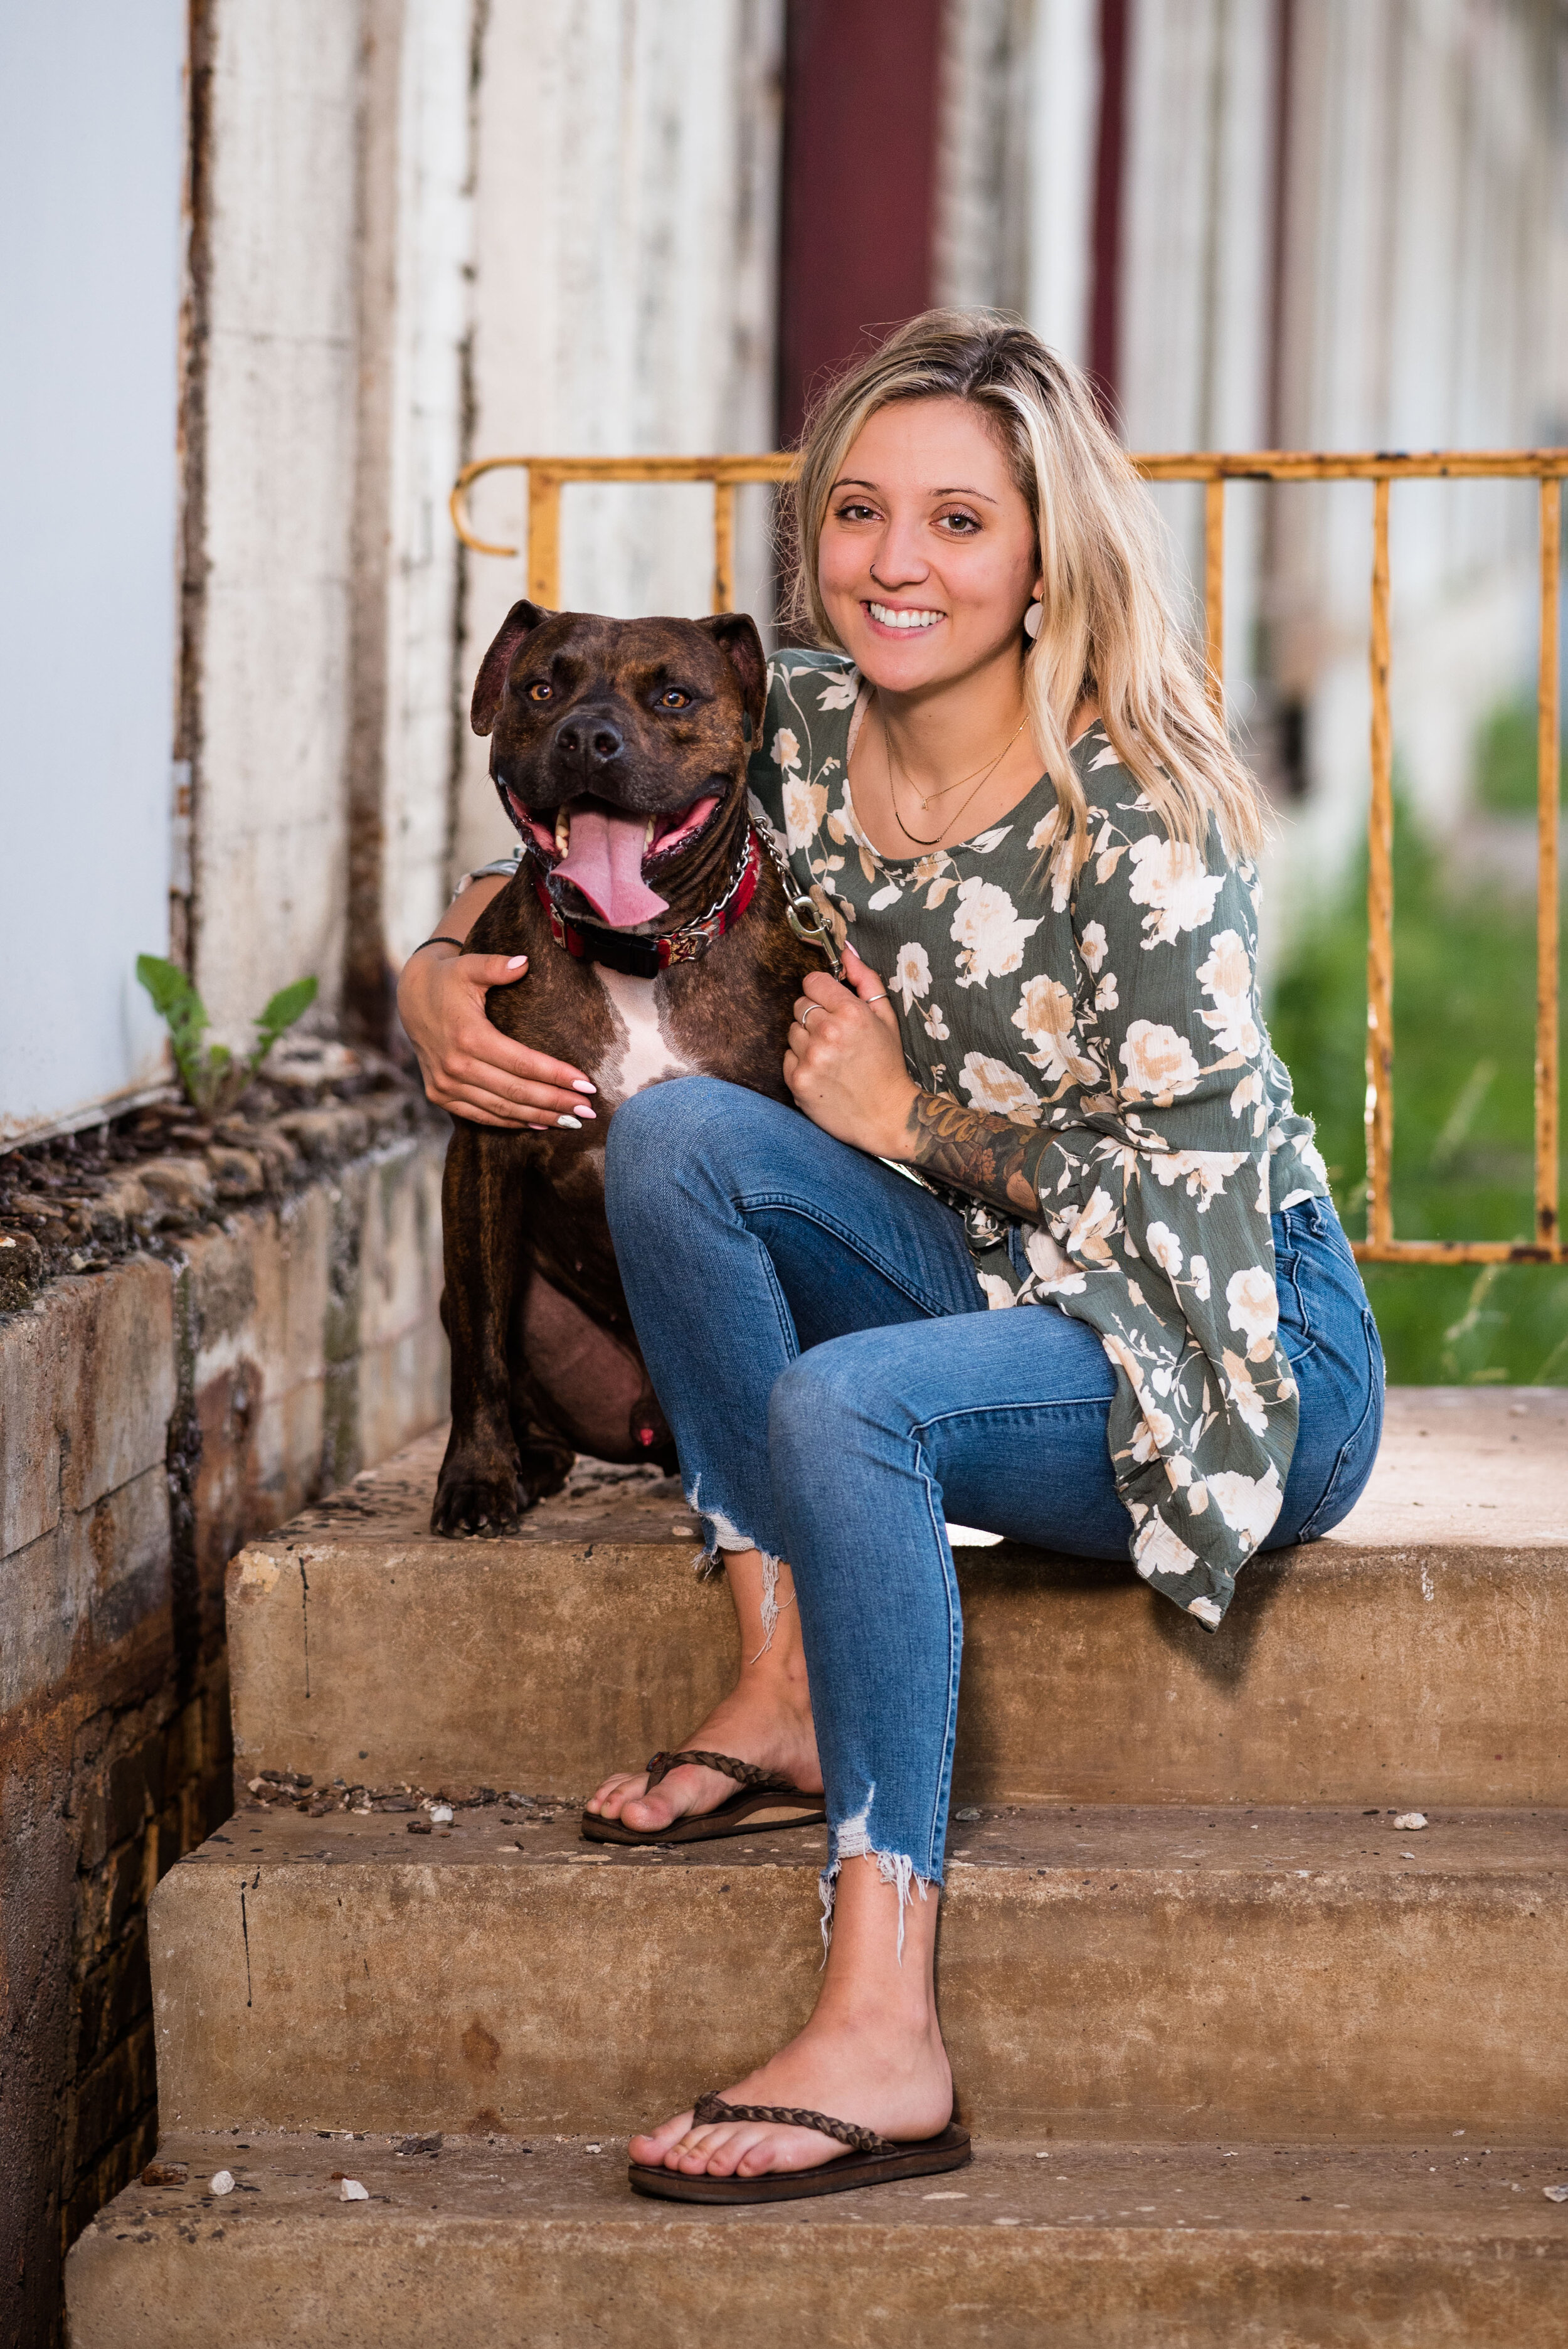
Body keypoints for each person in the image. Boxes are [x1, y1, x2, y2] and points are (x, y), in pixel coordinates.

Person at [397, 310, 1384, 2197]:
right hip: (1008, 1290)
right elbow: (590, 850)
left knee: (846, 1397)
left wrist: (908, 1125)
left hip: (1231, 1340)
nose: (895, 563)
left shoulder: (1141, 821)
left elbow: (1187, 1217)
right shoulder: (803, 729)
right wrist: (434, 973)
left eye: (956, 521)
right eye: (858, 513)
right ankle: (772, 1671)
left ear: (1041, 559)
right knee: (682, 1129)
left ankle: (881, 2020)